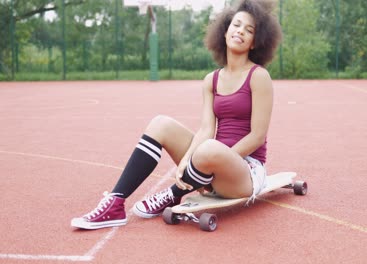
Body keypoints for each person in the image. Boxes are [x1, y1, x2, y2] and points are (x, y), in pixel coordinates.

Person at [71, 0, 282, 230]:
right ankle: (115, 202)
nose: (240, 30)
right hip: (208, 166)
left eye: (249, 29)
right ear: (225, 30)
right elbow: (206, 129)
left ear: (255, 42)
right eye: (236, 25)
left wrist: (215, 163)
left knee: (209, 149)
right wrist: (185, 162)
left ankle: (174, 193)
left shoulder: (258, 76)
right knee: (161, 124)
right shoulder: (211, 80)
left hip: (244, 171)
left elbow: (257, 136)